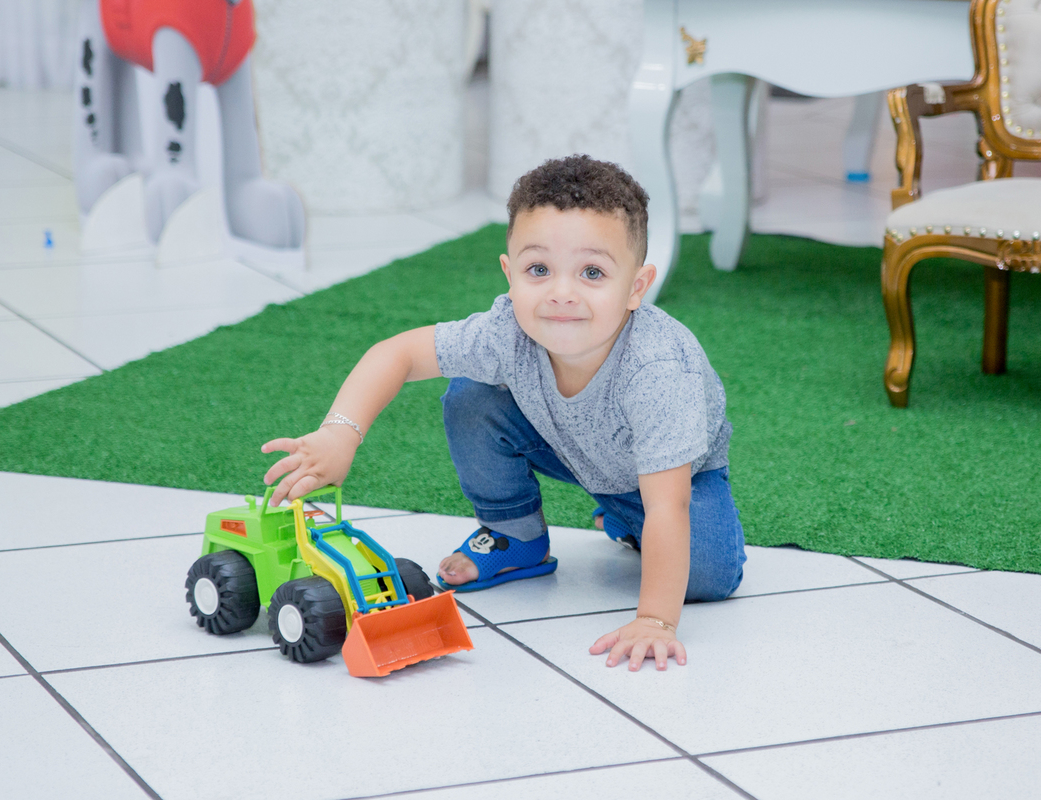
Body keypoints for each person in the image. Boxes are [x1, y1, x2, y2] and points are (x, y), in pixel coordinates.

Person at [262, 155, 746, 672]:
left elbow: (669, 507)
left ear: (636, 286)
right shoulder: (506, 332)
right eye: (539, 269)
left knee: (706, 578)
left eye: (592, 272)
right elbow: (396, 353)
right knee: (472, 393)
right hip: (572, 444)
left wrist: (654, 619)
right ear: (509, 273)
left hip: (677, 480)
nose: (562, 292)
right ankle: (515, 534)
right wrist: (340, 434)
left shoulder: (657, 369)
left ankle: (629, 516)